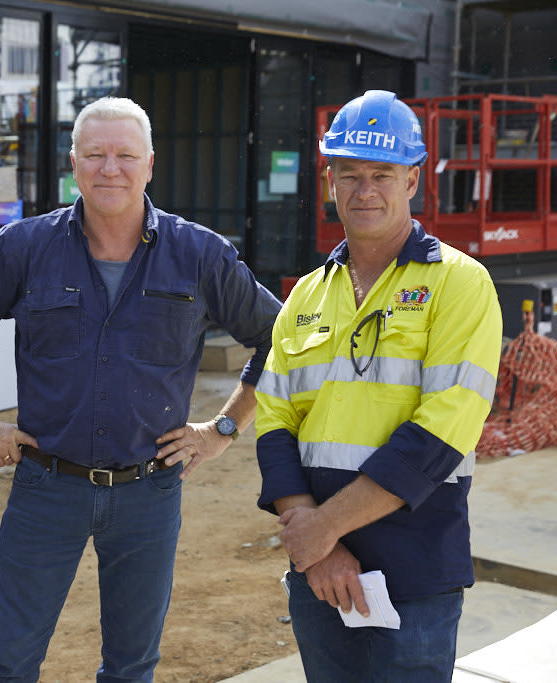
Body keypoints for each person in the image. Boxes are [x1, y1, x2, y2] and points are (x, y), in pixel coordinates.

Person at [0, 96, 281, 682]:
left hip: (149, 494)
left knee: (132, 666)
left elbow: (281, 339)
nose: (111, 169)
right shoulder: (26, 247)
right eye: (95, 154)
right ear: (72, 163)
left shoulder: (198, 254)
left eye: (125, 155)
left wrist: (224, 428)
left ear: (150, 165)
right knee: (9, 662)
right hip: (45, 489)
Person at [255, 90, 503, 681]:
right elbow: (273, 421)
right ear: (330, 182)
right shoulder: (307, 295)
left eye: (382, 174)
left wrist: (323, 529)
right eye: (349, 174)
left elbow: (444, 429)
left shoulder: (460, 285)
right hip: (318, 570)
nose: (365, 190)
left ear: (412, 182)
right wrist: (316, 543)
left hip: (415, 570)